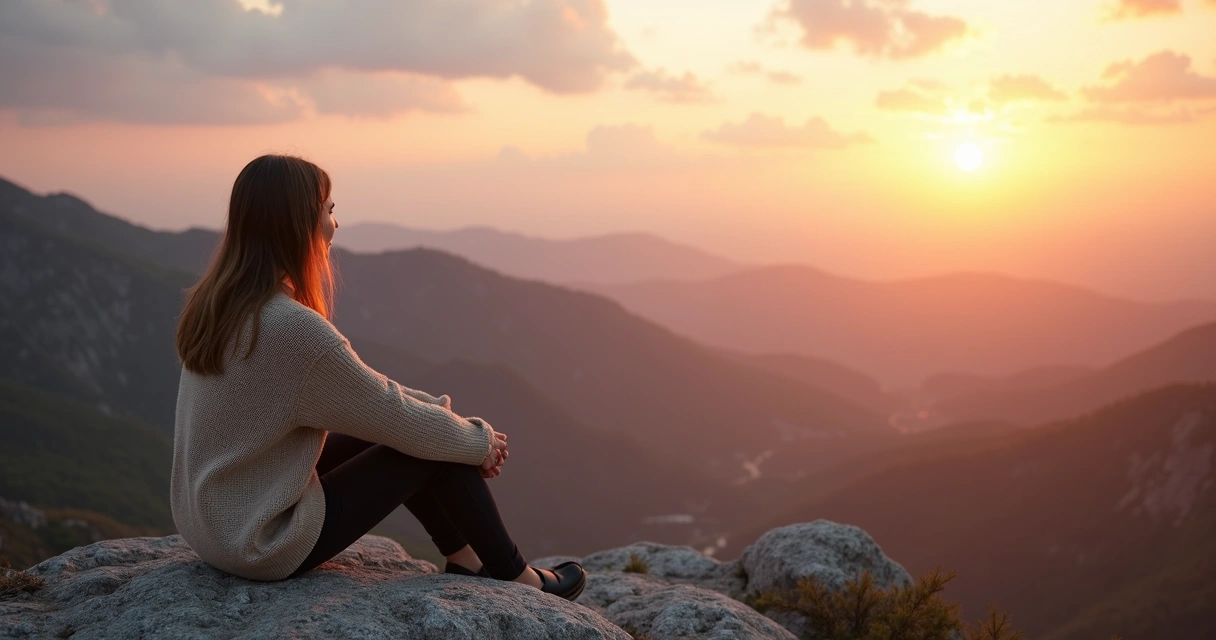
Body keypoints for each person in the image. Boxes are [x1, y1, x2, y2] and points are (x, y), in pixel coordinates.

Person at [170, 154, 586, 600]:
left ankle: (466, 558)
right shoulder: (293, 330)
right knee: (430, 448)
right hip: (259, 542)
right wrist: (475, 441)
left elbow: (374, 398)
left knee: (428, 433)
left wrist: (445, 417)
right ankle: (515, 576)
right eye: (328, 211)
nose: (335, 224)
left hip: (215, 521)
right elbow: (390, 413)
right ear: (297, 224)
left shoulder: (220, 303)